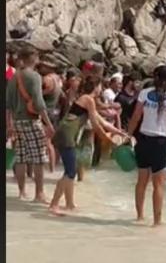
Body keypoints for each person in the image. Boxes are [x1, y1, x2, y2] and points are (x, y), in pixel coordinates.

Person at [49, 75, 129, 215]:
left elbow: (102, 122)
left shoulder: (87, 100)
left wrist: (121, 133)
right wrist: (107, 140)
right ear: (96, 87)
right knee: (70, 172)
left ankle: (69, 204)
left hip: (67, 134)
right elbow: (97, 125)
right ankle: (54, 204)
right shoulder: (88, 99)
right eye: (100, 86)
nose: (101, 89)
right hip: (66, 135)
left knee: (71, 169)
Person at [127, 65, 166, 226]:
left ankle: (139, 216)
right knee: (158, 185)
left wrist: (127, 135)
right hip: (160, 142)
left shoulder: (144, 94)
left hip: (143, 140)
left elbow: (135, 117)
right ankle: (157, 222)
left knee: (141, 181)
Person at [6, 48, 55, 202]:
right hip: (32, 120)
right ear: (33, 59)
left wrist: (9, 124)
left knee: (20, 157)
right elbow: (39, 104)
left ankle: (21, 192)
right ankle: (39, 194)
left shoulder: (14, 77)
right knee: (39, 158)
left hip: (18, 122)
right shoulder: (34, 77)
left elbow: (8, 104)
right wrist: (48, 124)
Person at [37, 60, 63, 173]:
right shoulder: (58, 78)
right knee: (50, 142)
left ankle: (47, 170)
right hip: (54, 111)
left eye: (42, 66)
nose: (40, 68)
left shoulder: (47, 79)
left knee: (46, 143)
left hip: (45, 112)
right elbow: (62, 96)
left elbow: (39, 94)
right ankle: (52, 169)